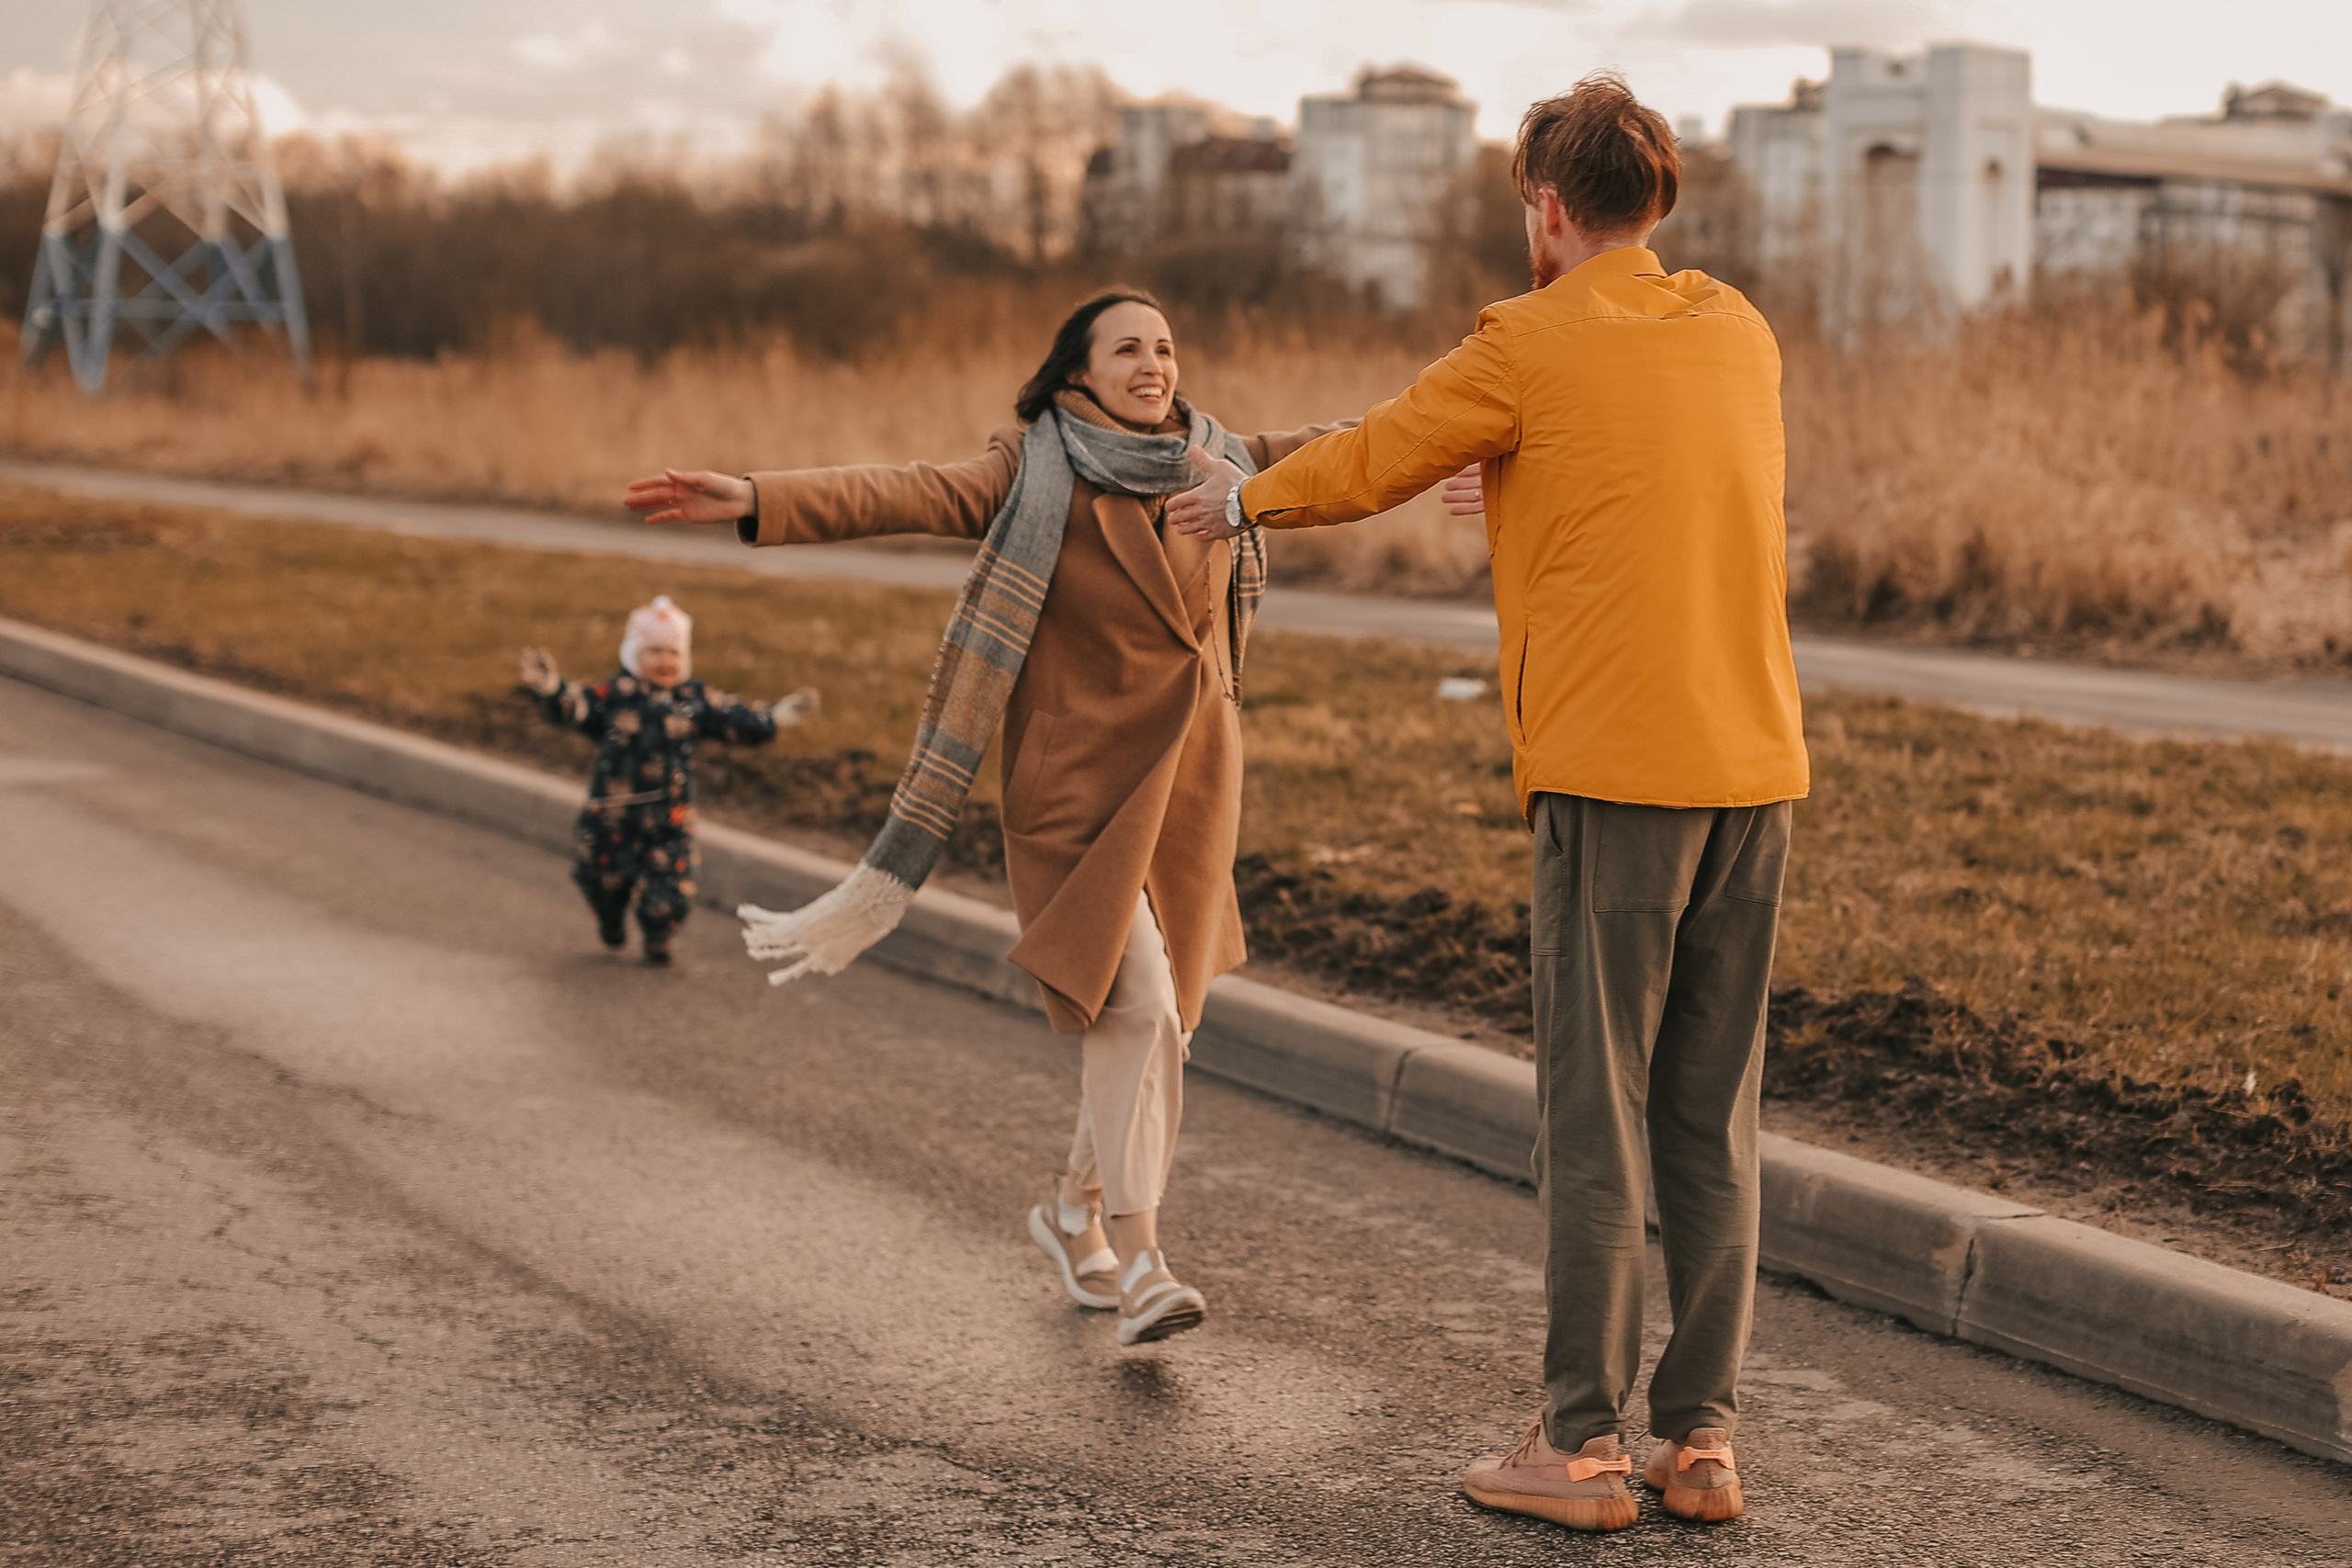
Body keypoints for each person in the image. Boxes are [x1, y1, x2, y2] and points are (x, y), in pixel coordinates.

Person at [1169, 73, 1807, 1529]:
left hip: (1615, 774)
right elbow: (1660, 475)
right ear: (1660, 201)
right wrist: (1518, 483)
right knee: (1713, 1113)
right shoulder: (1734, 328)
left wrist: (1235, 497)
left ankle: (1579, 1442)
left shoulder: (1525, 335)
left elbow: (1376, 455)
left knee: (1600, 1112)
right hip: (1757, 768)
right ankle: (1700, 1440)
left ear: (1545, 208)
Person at [620, 290, 1350, 1345]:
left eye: (1164, 347)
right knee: (1134, 1007)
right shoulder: (1032, 470)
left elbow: (1348, 451)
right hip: (1074, 788)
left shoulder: (1222, 460)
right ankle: (1143, 1263)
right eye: (1126, 349)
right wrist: (754, 498)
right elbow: (902, 491)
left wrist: (1476, 434)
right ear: (1077, 373)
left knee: (1162, 1028)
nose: (1152, 364)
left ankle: (1070, 1213)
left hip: (1189, 785)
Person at [520, 594, 820, 964]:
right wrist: (551, 690)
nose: (665, 660)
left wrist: (775, 716)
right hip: (612, 814)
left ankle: (659, 932)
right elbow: (577, 709)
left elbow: (732, 717)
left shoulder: (693, 699)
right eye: (655, 651)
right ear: (633, 655)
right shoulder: (615, 695)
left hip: (670, 817)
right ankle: (610, 917)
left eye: (674, 652)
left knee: (673, 884)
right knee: (601, 879)